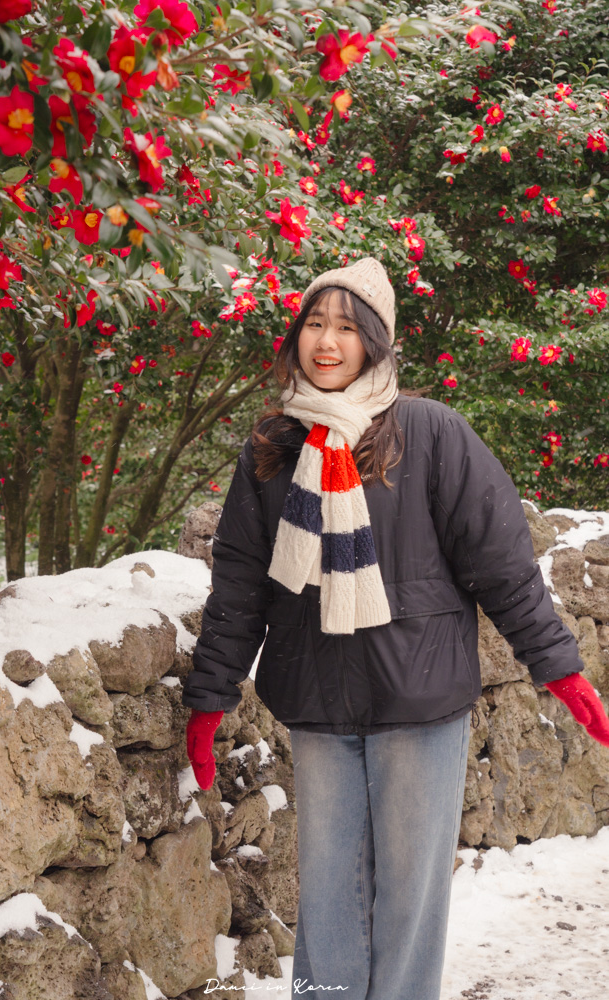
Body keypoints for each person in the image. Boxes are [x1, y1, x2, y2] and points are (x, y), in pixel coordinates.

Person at [182, 257, 609, 1000]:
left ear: (375, 341)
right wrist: (211, 695)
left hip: (419, 695)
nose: (327, 341)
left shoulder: (431, 432)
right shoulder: (273, 444)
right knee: (328, 896)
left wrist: (558, 665)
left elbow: (499, 562)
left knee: (410, 897)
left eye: (347, 328)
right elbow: (242, 581)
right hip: (317, 696)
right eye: (315, 323)